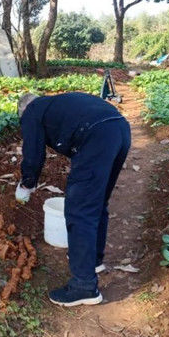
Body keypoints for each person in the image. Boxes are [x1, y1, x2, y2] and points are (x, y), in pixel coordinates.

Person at [16, 92, 131, 306]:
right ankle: (93, 260)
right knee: (96, 203)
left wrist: (27, 184)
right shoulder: (55, 104)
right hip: (120, 130)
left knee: (79, 210)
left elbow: (33, 153)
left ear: (23, 111)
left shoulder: (31, 112)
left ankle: (84, 286)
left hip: (96, 136)